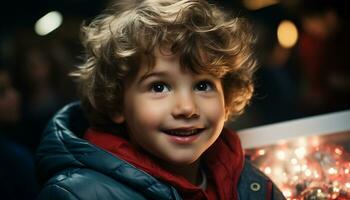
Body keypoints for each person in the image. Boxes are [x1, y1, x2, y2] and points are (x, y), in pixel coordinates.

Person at [36, 0, 286, 199]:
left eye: (202, 85)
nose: (187, 108)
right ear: (116, 102)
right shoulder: (78, 195)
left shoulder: (250, 182)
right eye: (158, 87)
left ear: (226, 98)